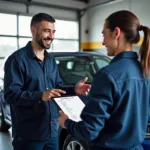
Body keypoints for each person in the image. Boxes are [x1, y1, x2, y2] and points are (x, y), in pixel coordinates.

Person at [58, 10, 150, 150]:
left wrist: (67, 122)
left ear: (116, 33)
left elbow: (89, 131)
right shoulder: (144, 72)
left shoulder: (107, 75)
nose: (102, 41)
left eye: (104, 34)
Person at [4, 13, 90, 150]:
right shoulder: (17, 60)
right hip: (29, 136)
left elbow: (58, 86)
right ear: (33, 30)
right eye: (46, 31)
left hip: (52, 133)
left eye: (53, 31)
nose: (51, 36)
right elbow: (10, 94)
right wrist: (41, 95)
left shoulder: (50, 60)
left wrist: (74, 89)